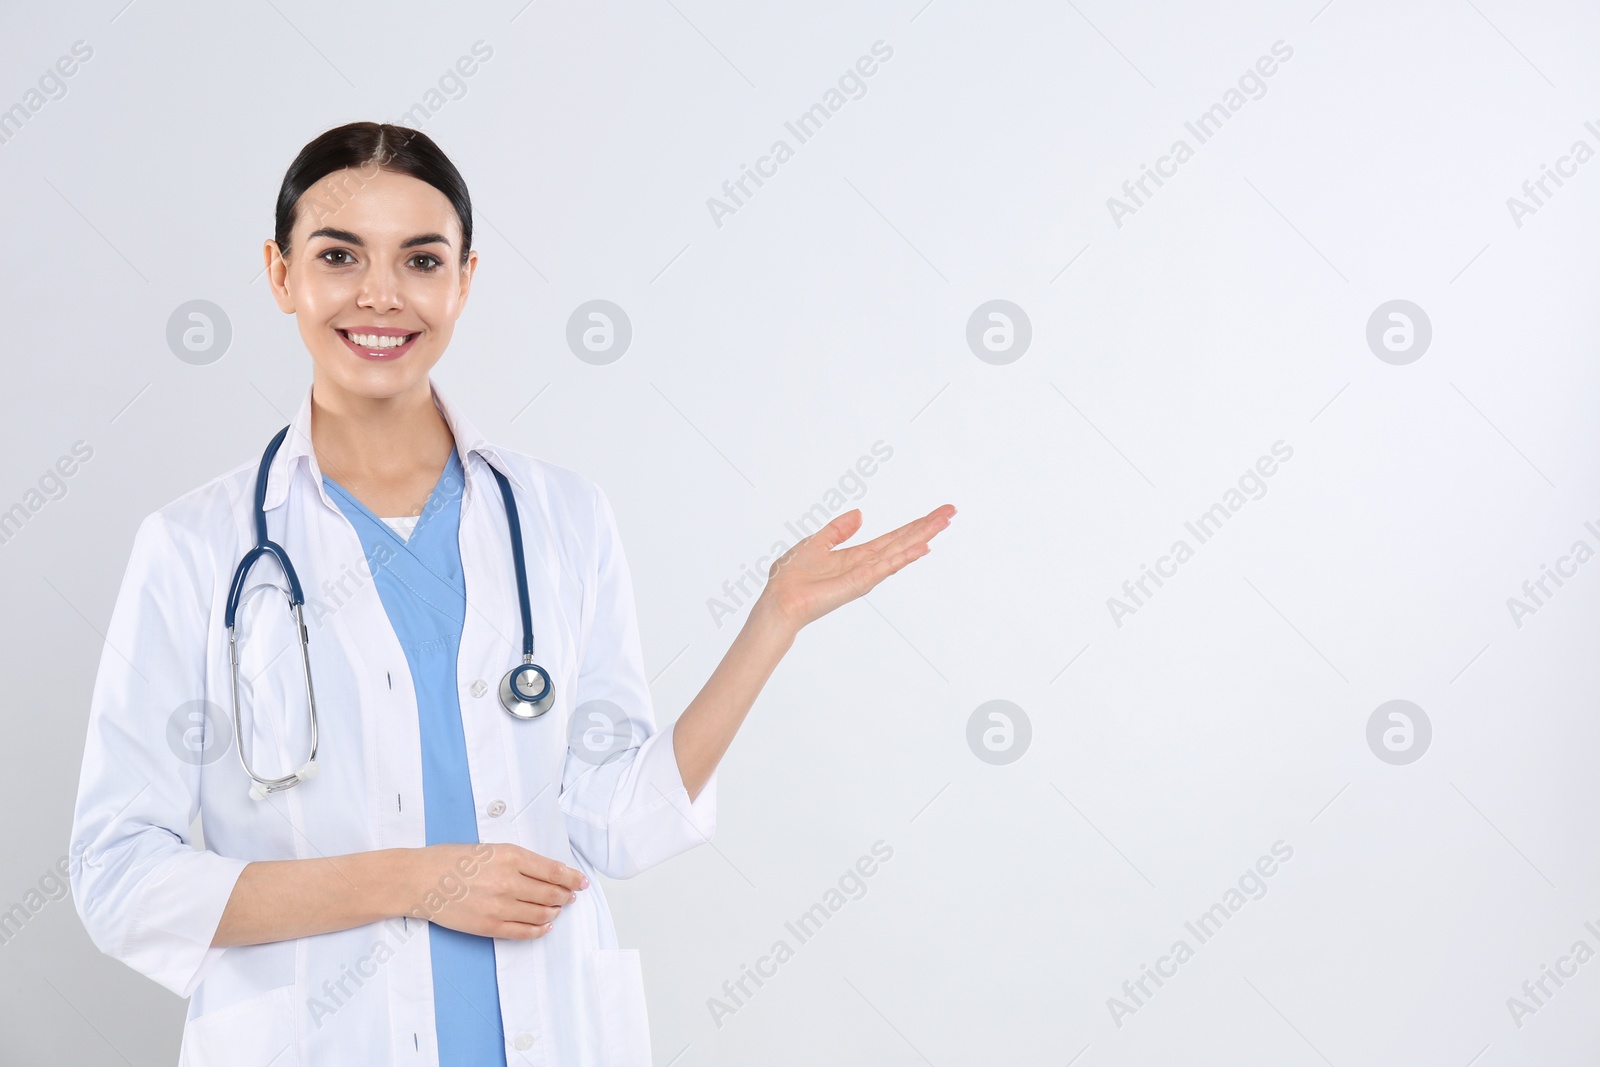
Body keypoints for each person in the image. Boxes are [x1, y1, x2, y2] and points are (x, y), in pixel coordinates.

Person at [67, 121, 954, 1066]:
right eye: (338, 255)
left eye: (420, 258)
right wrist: (416, 881)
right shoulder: (195, 548)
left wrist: (771, 621)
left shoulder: (561, 516)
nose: (381, 294)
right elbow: (120, 878)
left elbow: (620, 819)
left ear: (465, 280)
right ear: (281, 275)